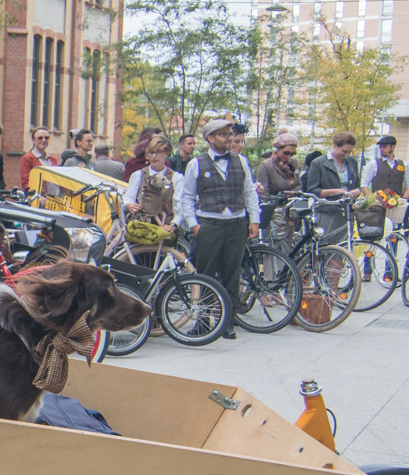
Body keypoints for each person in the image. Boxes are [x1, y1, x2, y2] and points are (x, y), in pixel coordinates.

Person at [179, 118, 259, 339]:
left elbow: (249, 192)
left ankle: (227, 322)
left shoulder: (241, 161)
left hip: (236, 223)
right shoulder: (196, 163)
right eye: (223, 135)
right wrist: (194, 225)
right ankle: (203, 323)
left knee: (231, 275)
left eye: (229, 134)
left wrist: (254, 219)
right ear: (210, 138)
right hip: (209, 224)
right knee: (205, 275)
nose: (229, 138)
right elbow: (186, 197)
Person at [123, 135, 179, 251]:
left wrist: (174, 224)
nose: (154, 156)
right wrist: (128, 205)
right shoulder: (138, 175)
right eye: (151, 152)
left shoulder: (176, 178)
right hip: (142, 230)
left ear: (167, 153)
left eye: (158, 152)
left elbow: (179, 205)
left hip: (164, 229)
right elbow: (128, 197)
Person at [255, 132, 300, 231]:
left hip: (289, 211)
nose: (289, 157)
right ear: (278, 149)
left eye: (292, 154)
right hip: (274, 215)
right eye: (286, 153)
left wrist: (290, 194)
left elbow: (298, 184)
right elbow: (263, 195)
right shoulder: (266, 166)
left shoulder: (293, 163)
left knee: (288, 244)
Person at [362, 134, 409, 228]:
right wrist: (372, 200)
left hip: (396, 208)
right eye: (380, 147)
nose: (381, 149)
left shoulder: (404, 165)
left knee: (395, 233)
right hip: (378, 206)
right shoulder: (373, 164)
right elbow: (364, 185)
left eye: (384, 147)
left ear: (393, 147)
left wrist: (403, 199)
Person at [304, 131, 362, 198]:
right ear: (335, 145)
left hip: (349, 205)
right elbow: (312, 190)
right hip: (327, 205)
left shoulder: (352, 161)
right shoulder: (318, 163)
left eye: (349, 152)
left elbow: (357, 185)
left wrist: (357, 191)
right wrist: (335, 192)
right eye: (344, 151)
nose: (346, 154)